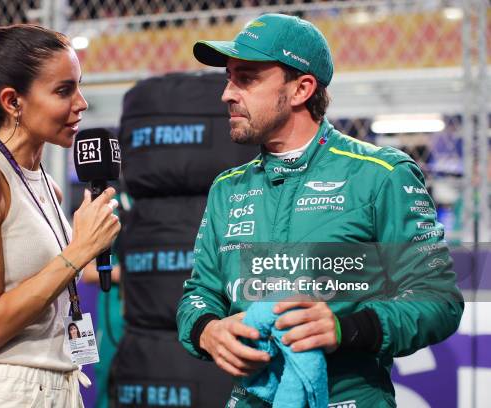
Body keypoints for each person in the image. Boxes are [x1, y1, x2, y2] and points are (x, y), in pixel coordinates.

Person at [176, 13, 463, 407]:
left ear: (301, 89)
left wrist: (345, 329)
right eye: (229, 77)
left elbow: (438, 301)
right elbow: (199, 293)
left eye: (247, 78)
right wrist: (206, 331)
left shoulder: (381, 175)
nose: (227, 93)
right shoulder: (228, 187)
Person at [0, 21, 120, 407]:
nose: (81, 103)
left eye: (79, 86)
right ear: (13, 101)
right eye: (64, 90)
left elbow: (44, 278)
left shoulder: (48, 183)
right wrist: (79, 250)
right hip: (3, 390)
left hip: (58, 385)